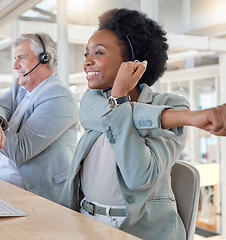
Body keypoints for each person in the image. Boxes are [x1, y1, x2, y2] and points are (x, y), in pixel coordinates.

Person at [59, 8, 226, 240]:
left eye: (98, 53)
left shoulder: (171, 103)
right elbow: (128, 114)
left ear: (132, 63)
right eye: (86, 54)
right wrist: (187, 117)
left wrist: (120, 99)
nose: (87, 62)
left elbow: (139, 177)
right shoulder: (91, 101)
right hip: (85, 221)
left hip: (140, 231)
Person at [0, 33, 79, 203]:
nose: (15, 65)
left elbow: (21, 150)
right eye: (15, 58)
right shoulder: (21, 87)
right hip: (4, 191)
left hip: (40, 198)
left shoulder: (59, 97)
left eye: (21, 58)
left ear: (45, 59)